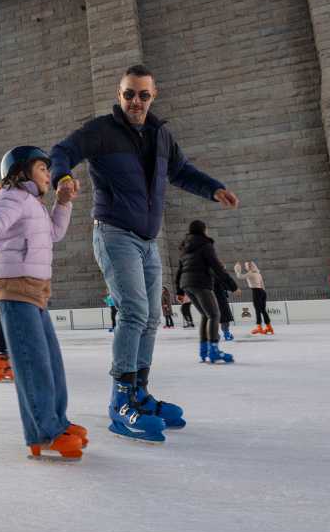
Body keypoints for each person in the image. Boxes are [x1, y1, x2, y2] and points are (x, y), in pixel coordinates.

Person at [50, 64, 238, 442]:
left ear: (153, 96)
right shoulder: (101, 130)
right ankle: (120, 402)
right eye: (129, 94)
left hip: (149, 240)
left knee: (151, 317)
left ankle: (139, 392)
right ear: (119, 95)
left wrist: (213, 189)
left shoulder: (161, 136)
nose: (136, 101)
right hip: (115, 233)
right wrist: (63, 177)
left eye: (143, 95)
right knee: (134, 311)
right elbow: (63, 151)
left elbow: (182, 172)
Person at [0, 145, 85, 461]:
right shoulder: (10, 196)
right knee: (33, 364)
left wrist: (62, 203)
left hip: (36, 290)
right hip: (14, 288)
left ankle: (58, 422)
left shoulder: (35, 204)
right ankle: (44, 432)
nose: (48, 175)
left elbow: (54, 234)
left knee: (51, 362)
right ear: (20, 171)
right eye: (42, 169)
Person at [174, 220, 236, 364]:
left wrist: (179, 291)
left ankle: (203, 350)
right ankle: (213, 350)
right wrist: (232, 285)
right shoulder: (205, 244)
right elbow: (216, 266)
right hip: (200, 282)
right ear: (203, 230)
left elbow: (179, 270)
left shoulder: (185, 247)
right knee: (214, 314)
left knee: (205, 315)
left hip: (186, 284)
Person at [234, 261, 273, 335]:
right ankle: (269, 327)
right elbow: (262, 285)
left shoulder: (250, 273)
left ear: (249, 267)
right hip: (262, 292)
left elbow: (240, 276)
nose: (245, 267)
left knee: (257, 310)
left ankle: (259, 327)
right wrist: (263, 294)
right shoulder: (258, 273)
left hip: (256, 292)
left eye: (246, 266)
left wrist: (237, 269)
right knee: (263, 310)